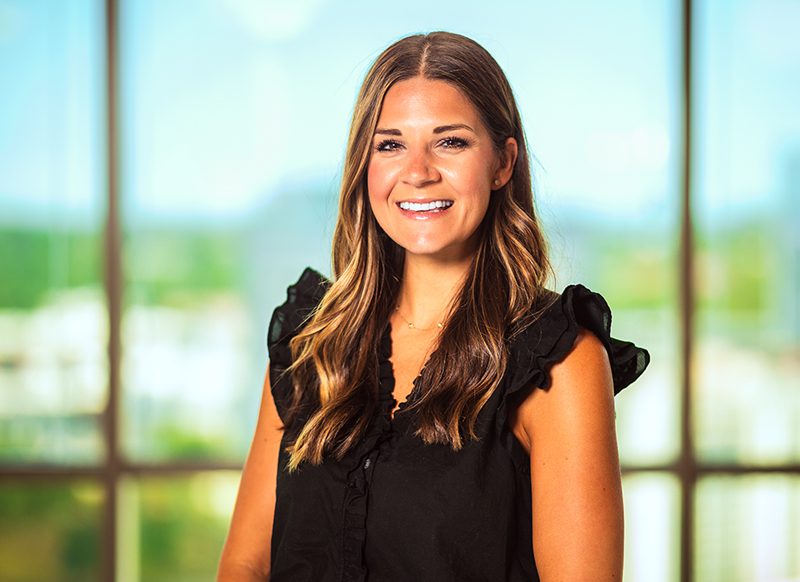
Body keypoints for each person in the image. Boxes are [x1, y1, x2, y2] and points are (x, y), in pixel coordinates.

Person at [217, 30, 650, 582]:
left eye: (451, 142)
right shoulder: (312, 346)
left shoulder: (560, 364)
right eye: (390, 144)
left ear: (502, 163)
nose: (417, 172)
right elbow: (245, 565)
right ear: (364, 167)